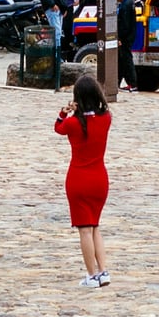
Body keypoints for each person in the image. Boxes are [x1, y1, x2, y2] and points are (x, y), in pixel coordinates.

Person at [56, 73, 113, 288]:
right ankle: (103, 271)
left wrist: (65, 112)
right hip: (100, 179)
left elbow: (58, 127)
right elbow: (97, 114)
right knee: (95, 226)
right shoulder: (106, 119)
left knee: (85, 230)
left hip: (79, 179)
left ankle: (91, 275)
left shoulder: (72, 123)